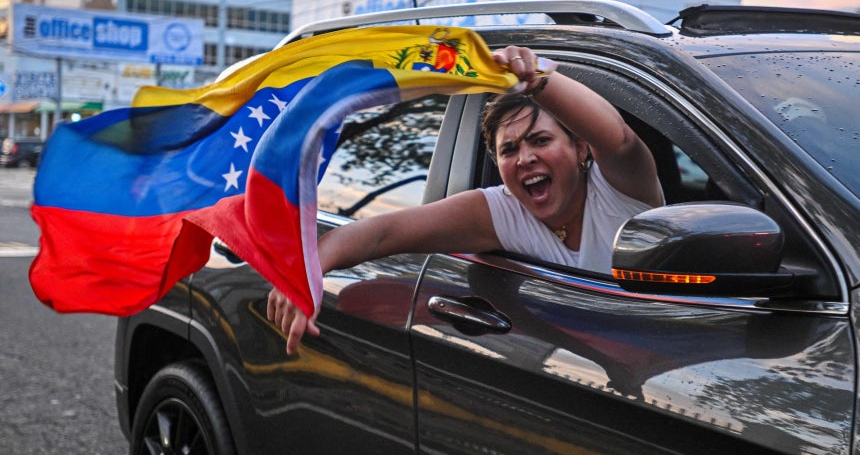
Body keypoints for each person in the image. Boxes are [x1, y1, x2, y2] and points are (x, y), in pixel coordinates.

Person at [267, 45, 664, 354]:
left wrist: (537, 80)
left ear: (581, 149)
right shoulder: (502, 210)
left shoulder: (620, 189)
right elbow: (381, 234)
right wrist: (304, 273)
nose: (525, 158)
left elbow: (620, 138)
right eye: (509, 150)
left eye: (541, 140)